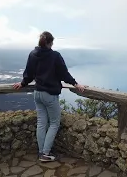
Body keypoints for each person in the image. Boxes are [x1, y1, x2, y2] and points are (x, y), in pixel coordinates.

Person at [13, 31, 86, 162]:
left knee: (41, 123)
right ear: (50, 42)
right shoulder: (55, 56)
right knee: (54, 123)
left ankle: (41, 151)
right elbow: (64, 74)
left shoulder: (33, 54)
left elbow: (29, 73)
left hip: (37, 93)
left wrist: (23, 83)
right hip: (50, 95)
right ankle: (45, 154)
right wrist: (75, 83)